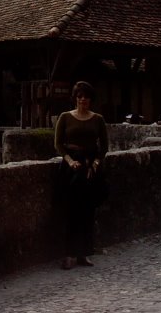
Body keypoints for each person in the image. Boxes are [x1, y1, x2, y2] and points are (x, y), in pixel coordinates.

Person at [54, 80, 109, 270]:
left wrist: (95, 163)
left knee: (87, 211)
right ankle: (69, 254)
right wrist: (70, 161)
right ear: (75, 98)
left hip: (90, 169)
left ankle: (84, 254)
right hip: (72, 168)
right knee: (71, 211)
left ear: (90, 100)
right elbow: (59, 144)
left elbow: (104, 146)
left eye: (86, 97)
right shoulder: (65, 117)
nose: (83, 100)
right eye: (79, 96)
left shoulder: (98, 119)